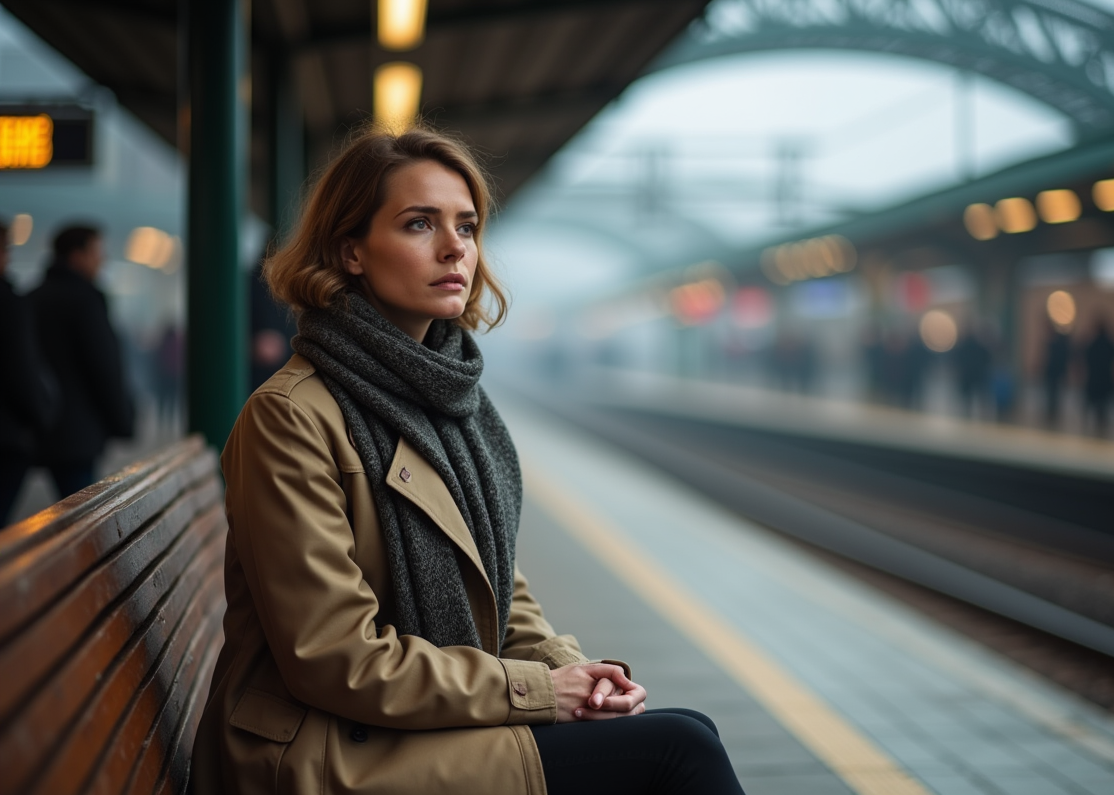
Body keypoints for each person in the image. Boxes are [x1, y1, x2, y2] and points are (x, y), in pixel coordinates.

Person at [191, 127, 745, 795]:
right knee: (676, 751)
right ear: (352, 251)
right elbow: (334, 658)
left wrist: (572, 673)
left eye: (468, 225)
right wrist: (541, 691)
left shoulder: (458, 407)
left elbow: (500, 592)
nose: (456, 247)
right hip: (319, 752)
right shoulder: (291, 417)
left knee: (691, 729)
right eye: (419, 224)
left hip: (402, 727)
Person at [28, 224, 134, 498]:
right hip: (79, 430)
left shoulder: (31, 298)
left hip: (38, 424)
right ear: (76, 256)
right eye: (96, 252)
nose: (102, 259)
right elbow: (104, 367)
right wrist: (122, 420)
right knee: (79, 508)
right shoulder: (86, 301)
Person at [0, 219, 60, 524]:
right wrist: (42, 417)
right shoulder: (9, 304)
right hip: (8, 436)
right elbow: (21, 370)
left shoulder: (26, 298)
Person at [1083, 319, 1114, 432]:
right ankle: (1102, 421)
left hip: (1095, 378)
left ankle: (1097, 421)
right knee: (1102, 403)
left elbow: (1085, 356)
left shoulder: (1093, 343)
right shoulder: (1108, 342)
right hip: (1104, 378)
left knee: (1094, 402)